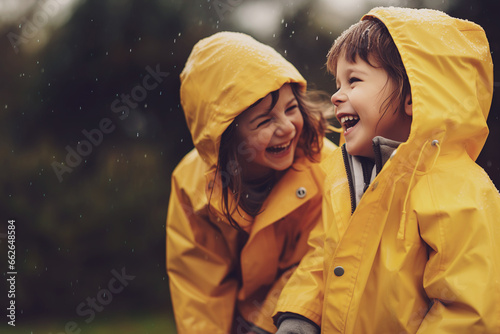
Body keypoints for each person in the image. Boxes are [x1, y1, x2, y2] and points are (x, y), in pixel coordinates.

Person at [273, 7, 500, 333]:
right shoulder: (344, 182)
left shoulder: (459, 190)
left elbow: (469, 312)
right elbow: (323, 260)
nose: (337, 96)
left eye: (354, 80)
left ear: (412, 96)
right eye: (337, 83)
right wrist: (301, 314)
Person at [166, 31, 336, 333]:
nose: (286, 128)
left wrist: (267, 323)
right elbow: (198, 285)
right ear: (226, 137)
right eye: (264, 121)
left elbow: (320, 256)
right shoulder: (191, 185)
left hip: (304, 315)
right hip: (239, 317)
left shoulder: (323, 167)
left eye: (291, 108)